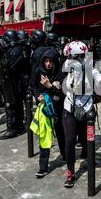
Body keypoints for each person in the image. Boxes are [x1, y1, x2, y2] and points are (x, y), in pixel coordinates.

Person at [62, 41, 101, 188]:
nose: (80, 59)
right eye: (77, 56)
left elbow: (98, 77)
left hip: (87, 108)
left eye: (82, 56)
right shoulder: (67, 66)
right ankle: (71, 172)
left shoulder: (90, 68)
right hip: (70, 108)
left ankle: (89, 157)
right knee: (70, 140)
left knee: (88, 139)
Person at [33, 49, 66, 178]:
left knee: (61, 133)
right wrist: (38, 97)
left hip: (58, 108)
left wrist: (49, 86)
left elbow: (61, 91)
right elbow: (34, 86)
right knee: (45, 137)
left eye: (50, 61)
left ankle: (65, 154)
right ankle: (43, 167)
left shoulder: (60, 73)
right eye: (46, 61)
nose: (48, 64)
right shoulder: (38, 72)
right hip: (45, 109)